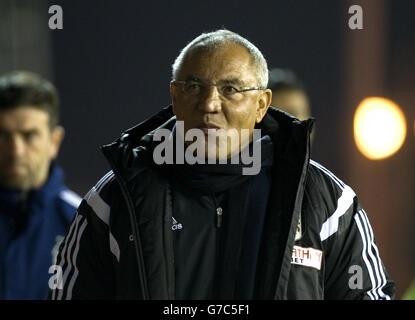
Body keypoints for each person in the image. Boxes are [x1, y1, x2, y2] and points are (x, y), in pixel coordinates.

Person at [50, 30, 394, 300]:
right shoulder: (114, 196)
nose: (210, 104)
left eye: (230, 89)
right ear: (174, 98)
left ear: (262, 104)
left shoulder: (327, 200)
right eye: (194, 87)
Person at [0, 70, 81, 299]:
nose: (16, 151)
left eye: (29, 135)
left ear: (54, 141)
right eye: (3, 135)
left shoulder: (84, 222)